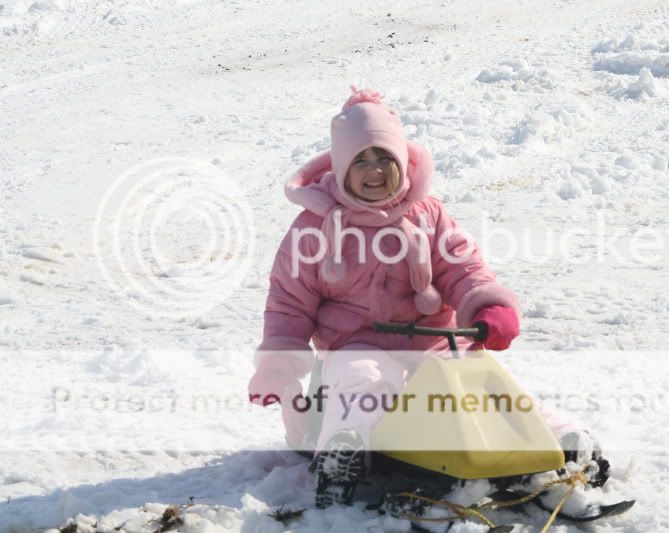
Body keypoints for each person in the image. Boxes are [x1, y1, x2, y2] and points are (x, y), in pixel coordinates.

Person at [248, 87, 602, 508]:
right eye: (360, 160)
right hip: (355, 344)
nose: (374, 170)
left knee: (485, 383)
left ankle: (559, 439)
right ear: (342, 168)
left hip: (432, 339)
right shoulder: (312, 228)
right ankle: (343, 453)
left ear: (402, 162)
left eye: (384, 159)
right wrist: (279, 364)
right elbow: (289, 303)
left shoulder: (428, 214)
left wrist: (488, 305)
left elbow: (462, 266)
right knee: (363, 382)